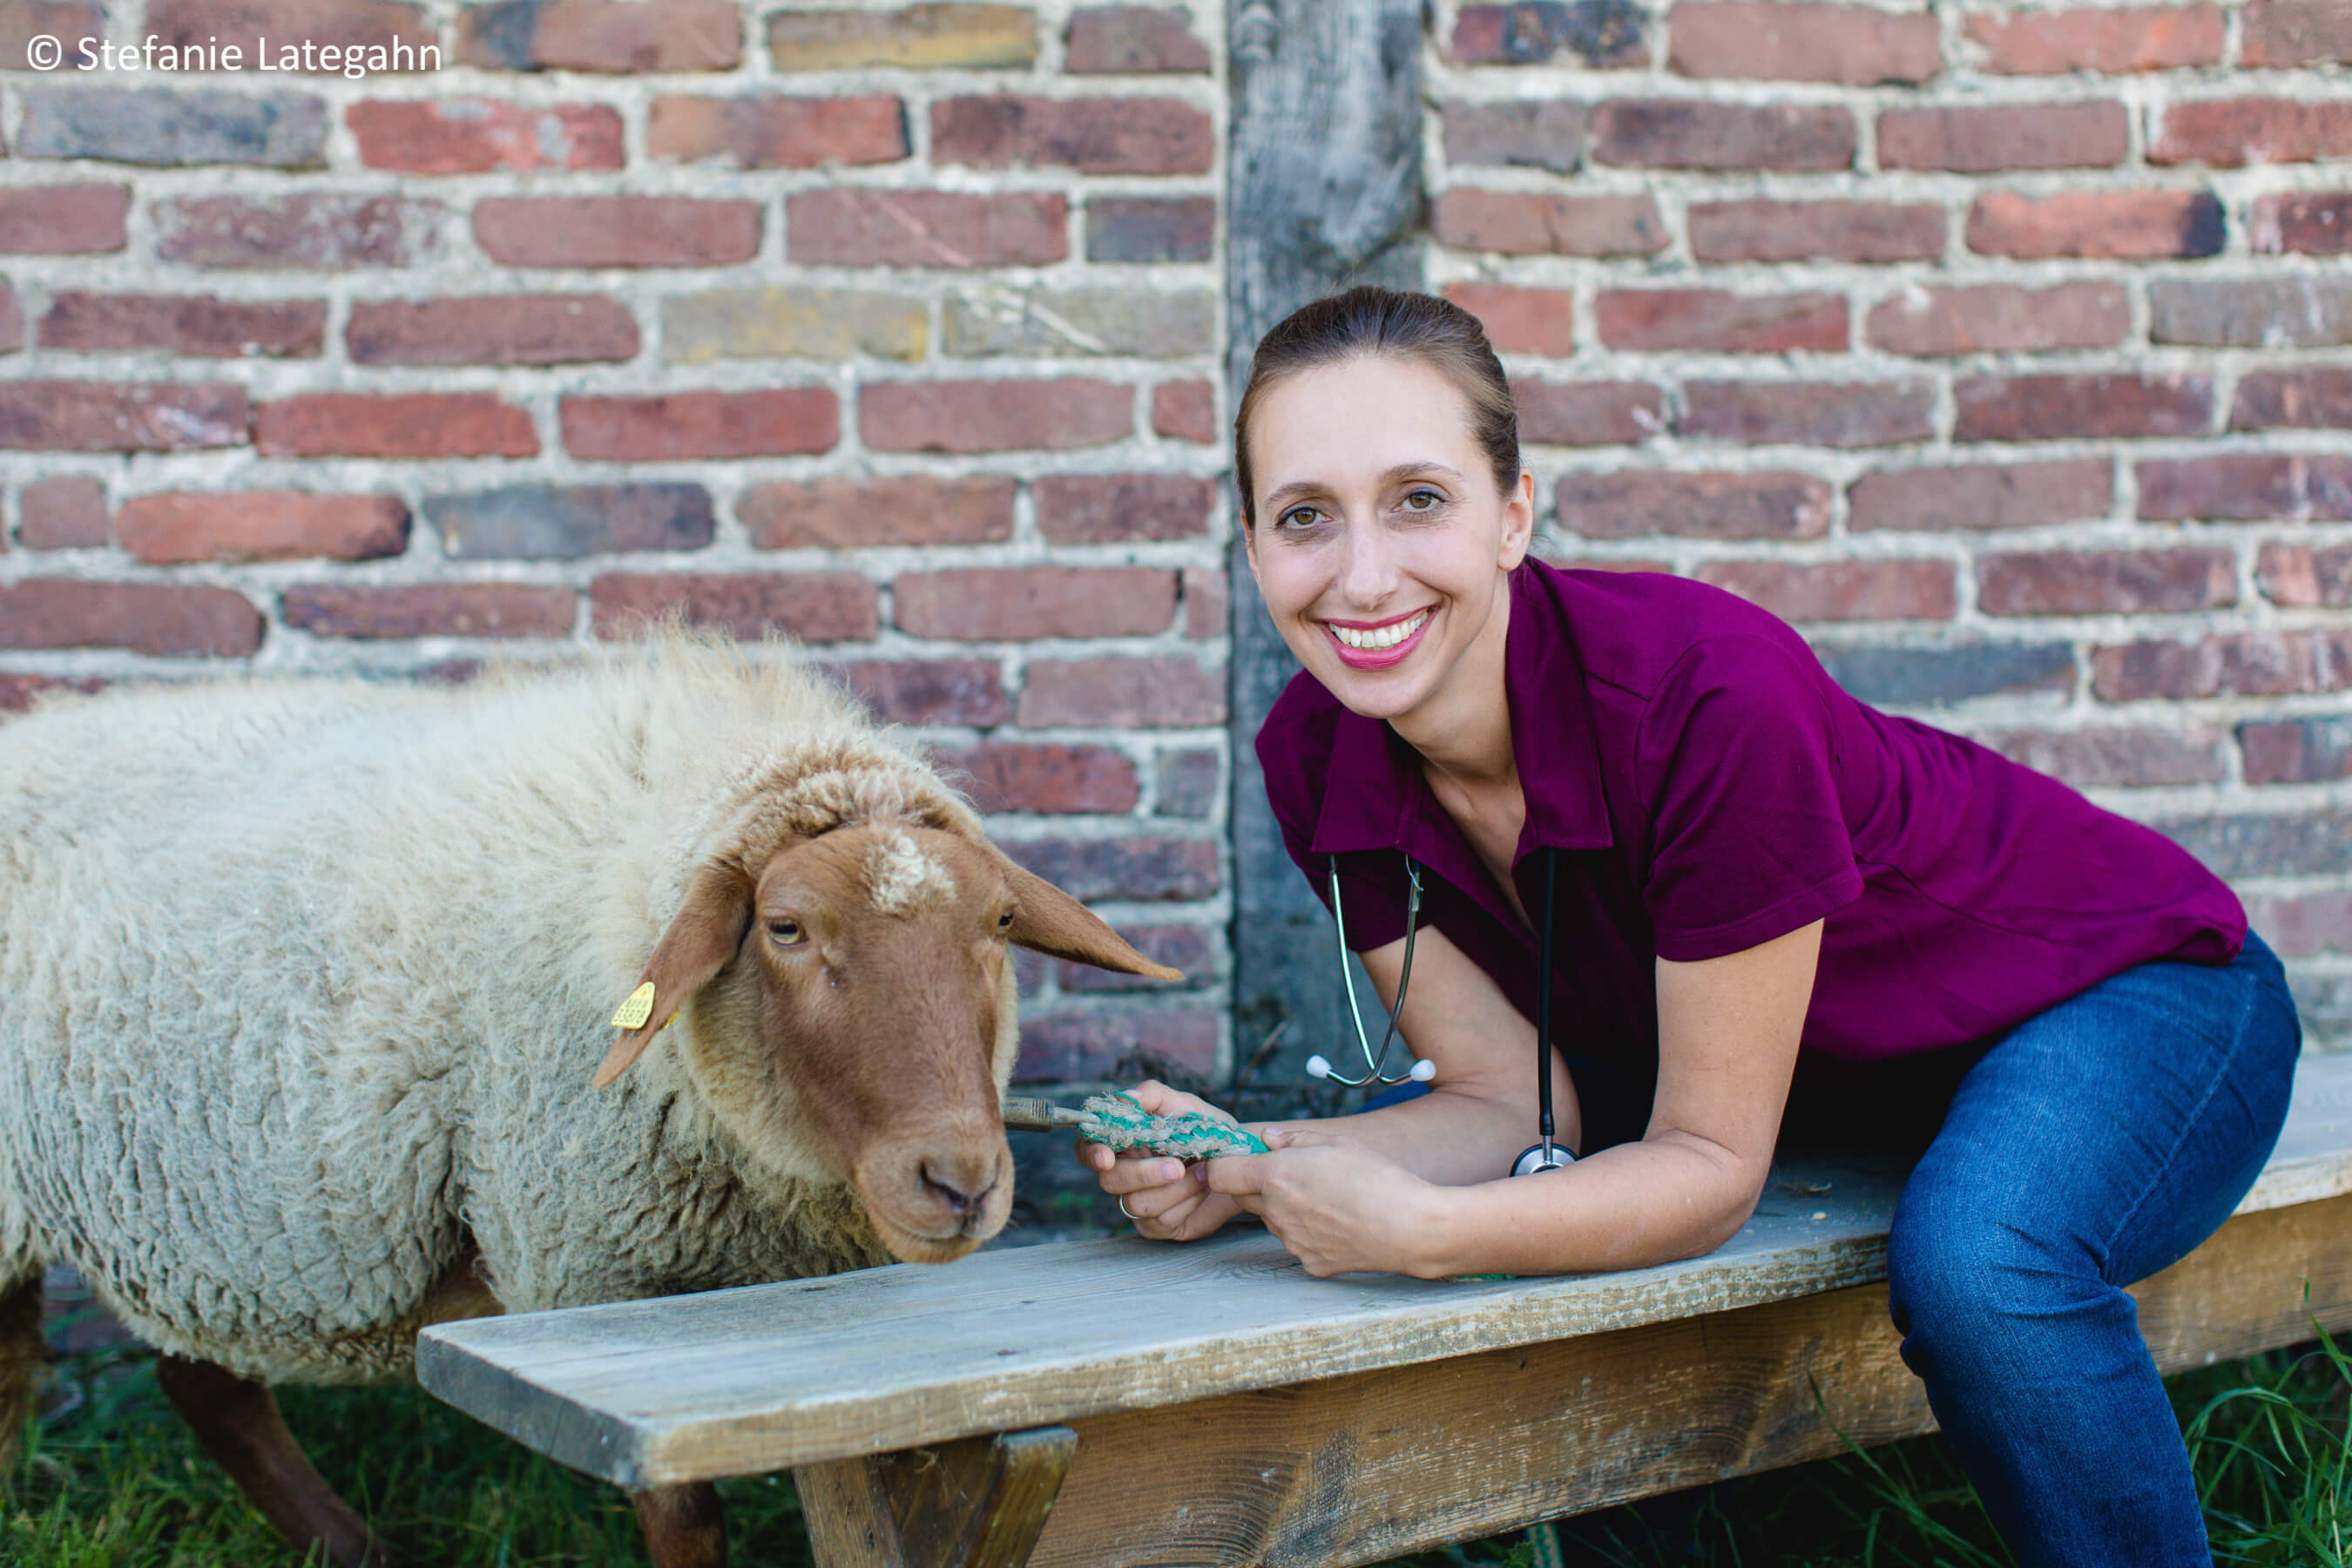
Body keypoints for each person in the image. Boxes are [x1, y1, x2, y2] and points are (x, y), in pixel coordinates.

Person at [1077, 286, 2301, 1567]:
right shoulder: (1314, 755)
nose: (1363, 573)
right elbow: (1510, 1103)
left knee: (1983, 1267)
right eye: (1305, 518)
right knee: (1644, 1204)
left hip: (2126, 998)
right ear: (1254, 545)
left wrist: (1429, 1236)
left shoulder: (1709, 694)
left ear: (1514, 517)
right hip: (1853, 1084)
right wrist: (1252, 1161)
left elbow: (1710, 1166)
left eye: (1419, 500)